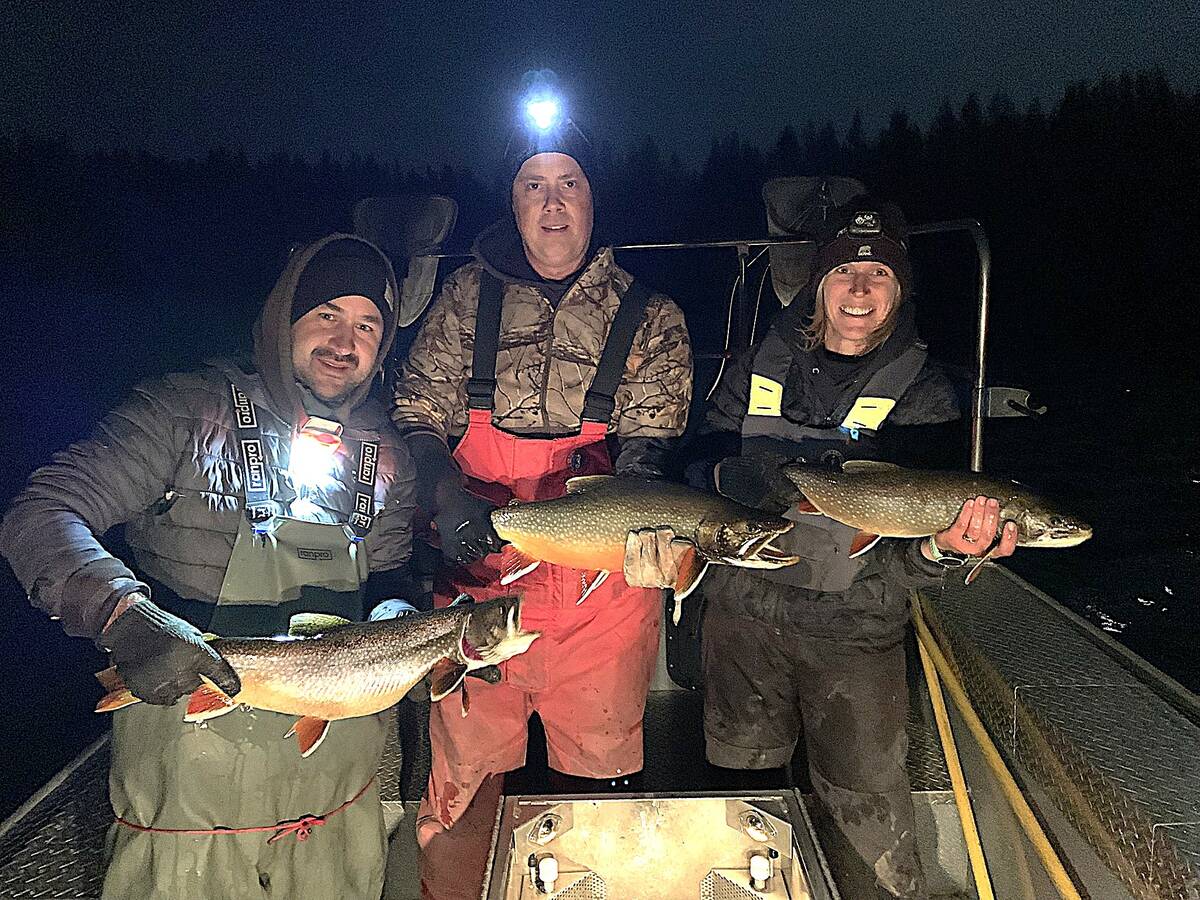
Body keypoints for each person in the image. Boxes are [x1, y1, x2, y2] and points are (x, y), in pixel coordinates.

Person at [0, 235, 419, 900]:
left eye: (367, 325)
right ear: (283, 321)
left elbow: (391, 574)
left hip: (337, 807)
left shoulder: (387, 454)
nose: (346, 341)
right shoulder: (184, 412)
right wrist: (123, 616)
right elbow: (43, 514)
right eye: (327, 316)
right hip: (191, 807)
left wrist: (400, 610)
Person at [392, 121, 693, 898]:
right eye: (533, 184)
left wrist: (655, 544)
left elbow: (647, 453)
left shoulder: (651, 316)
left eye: (570, 183)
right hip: (479, 579)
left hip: (601, 596)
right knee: (460, 790)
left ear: (595, 202)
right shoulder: (464, 298)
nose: (552, 202)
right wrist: (441, 484)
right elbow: (418, 409)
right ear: (513, 202)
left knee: (598, 796)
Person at [689, 199, 1018, 899]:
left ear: (900, 291)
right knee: (739, 797)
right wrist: (723, 473)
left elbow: (910, 552)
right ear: (818, 285)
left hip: (857, 627)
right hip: (743, 614)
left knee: (867, 816)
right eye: (846, 272)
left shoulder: (925, 393)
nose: (861, 290)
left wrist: (944, 553)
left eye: (878, 274)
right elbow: (696, 466)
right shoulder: (755, 362)